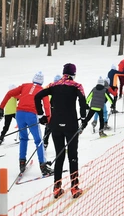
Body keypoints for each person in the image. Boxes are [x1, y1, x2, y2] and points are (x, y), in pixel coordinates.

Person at [34, 63, 88, 199]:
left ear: (64, 72)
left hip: (55, 125)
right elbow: (83, 101)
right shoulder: (77, 86)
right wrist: (82, 119)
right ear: (73, 73)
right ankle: (74, 188)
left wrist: (41, 116)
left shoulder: (53, 85)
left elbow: (37, 97)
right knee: (73, 156)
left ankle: (57, 188)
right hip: (71, 125)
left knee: (59, 155)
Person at [0, 72, 52, 175]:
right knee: (39, 140)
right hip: (31, 115)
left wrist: (1, 108)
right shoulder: (42, 90)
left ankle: (22, 162)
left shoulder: (25, 85)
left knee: (23, 138)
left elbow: (9, 93)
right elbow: (47, 105)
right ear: (42, 81)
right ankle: (43, 166)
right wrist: (48, 119)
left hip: (20, 114)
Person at [42, 75, 62, 148]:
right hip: (56, 112)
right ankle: (60, 146)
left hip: (50, 111)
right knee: (58, 129)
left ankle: (45, 143)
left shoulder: (49, 87)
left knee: (48, 128)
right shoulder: (61, 88)